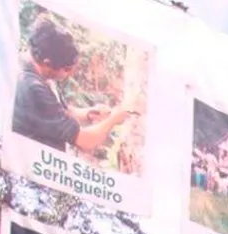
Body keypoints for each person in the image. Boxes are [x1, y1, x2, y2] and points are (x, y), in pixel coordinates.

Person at [12, 17, 136, 156]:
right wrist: (113, 120)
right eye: (66, 69)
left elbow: (62, 111)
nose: (69, 74)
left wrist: (90, 113)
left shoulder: (40, 69)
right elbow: (85, 141)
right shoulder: (31, 87)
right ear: (47, 63)